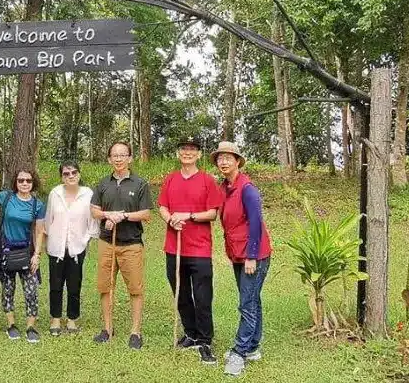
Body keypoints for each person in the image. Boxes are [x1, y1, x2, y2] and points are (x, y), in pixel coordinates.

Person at [158, 137, 224, 365]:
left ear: (198, 155)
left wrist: (188, 216)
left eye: (192, 149)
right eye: (183, 149)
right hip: (174, 248)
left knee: (203, 296)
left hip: (199, 249)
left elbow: (213, 213)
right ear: (178, 154)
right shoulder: (170, 179)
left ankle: (205, 339)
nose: (187, 152)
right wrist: (170, 220)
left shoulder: (207, 180)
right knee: (181, 294)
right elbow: (163, 207)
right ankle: (190, 333)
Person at [211, 141, 272, 377]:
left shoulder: (248, 189)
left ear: (238, 161)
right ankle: (253, 347)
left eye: (228, 158)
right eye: (220, 158)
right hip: (237, 252)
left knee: (247, 303)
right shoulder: (225, 187)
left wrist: (251, 256)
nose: (223, 162)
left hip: (252, 255)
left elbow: (256, 223)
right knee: (252, 300)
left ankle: (239, 352)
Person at [90, 142, 152, 350]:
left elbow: (146, 214)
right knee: (105, 287)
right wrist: (108, 215)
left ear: (130, 158)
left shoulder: (140, 184)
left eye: (122, 155)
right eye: (114, 155)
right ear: (109, 159)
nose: (118, 159)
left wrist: (122, 216)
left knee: (135, 288)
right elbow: (95, 211)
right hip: (107, 243)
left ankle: (135, 331)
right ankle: (107, 328)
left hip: (131, 244)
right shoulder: (102, 184)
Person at [0, 169, 45, 343]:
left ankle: (30, 327)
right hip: (6, 252)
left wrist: (37, 254)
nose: (25, 183)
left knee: (32, 291)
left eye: (28, 180)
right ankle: (11, 325)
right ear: (16, 182)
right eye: (21, 180)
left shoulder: (37, 205)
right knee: (7, 290)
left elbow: (39, 231)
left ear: (33, 183)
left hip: (27, 252)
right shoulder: (7, 198)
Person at [44, 160, 97, 337]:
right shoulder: (55, 193)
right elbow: (48, 219)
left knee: (74, 284)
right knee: (56, 284)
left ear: (79, 174)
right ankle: (56, 318)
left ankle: (72, 318)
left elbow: (92, 221)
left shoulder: (88, 194)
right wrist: (47, 242)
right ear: (61, 177)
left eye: (74, 172)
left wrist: (86, 240)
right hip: (56, 246)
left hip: (77, 246)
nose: (71, 176)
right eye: (66, 174)